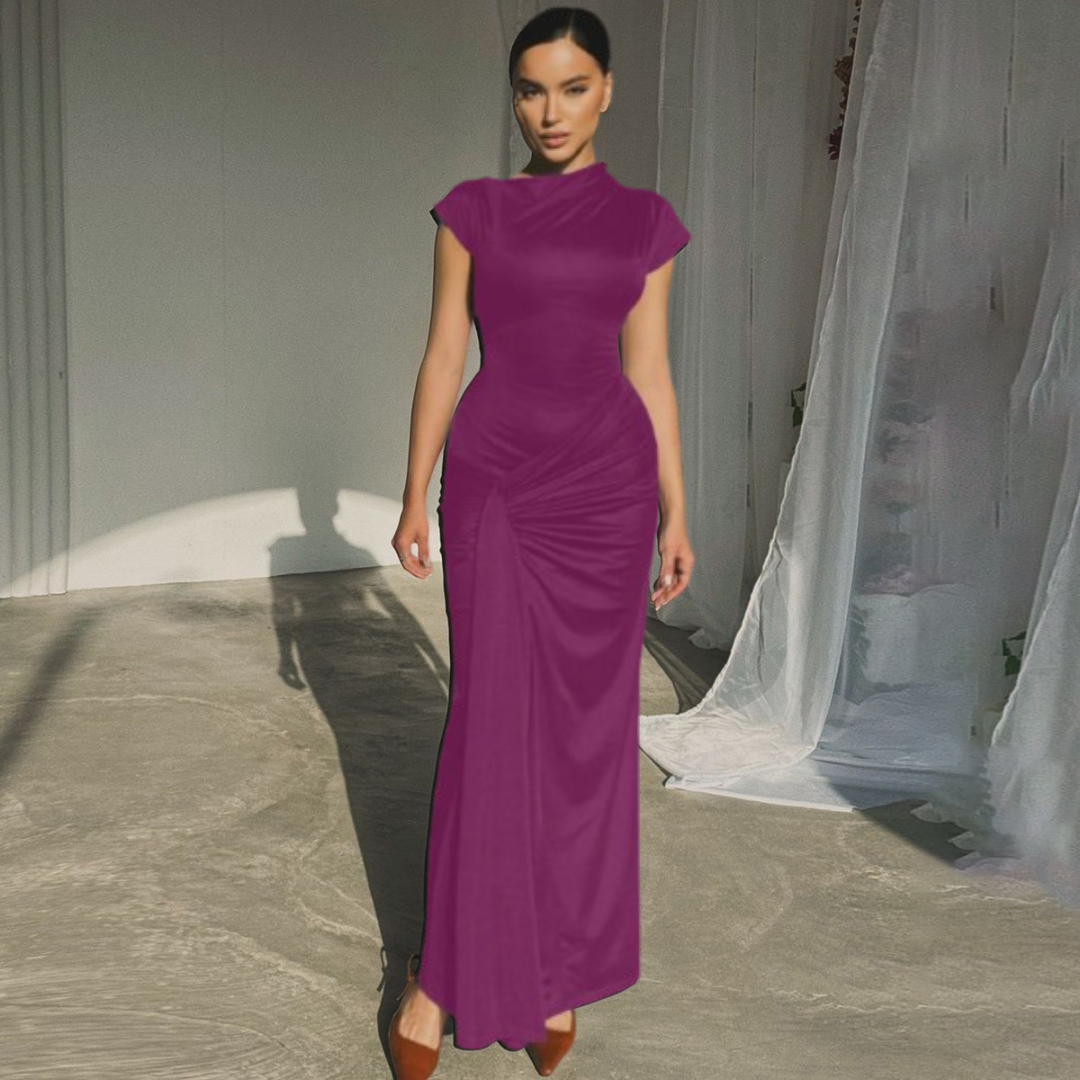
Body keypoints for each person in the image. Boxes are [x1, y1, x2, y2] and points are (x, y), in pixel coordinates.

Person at [388, 7, 693, 1077]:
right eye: (530, 89)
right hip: (498, 487)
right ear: (513, 98)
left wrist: (677, 509)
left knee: (581, 740)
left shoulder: (647, 223)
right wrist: (413, 493)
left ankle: (555, 964)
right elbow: (442, 357)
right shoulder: (473, 211)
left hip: (607, 493)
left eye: (571, 87)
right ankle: (438, 975)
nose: (549, 111)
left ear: (607, 90)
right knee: (486, 724)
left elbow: (649, 373)